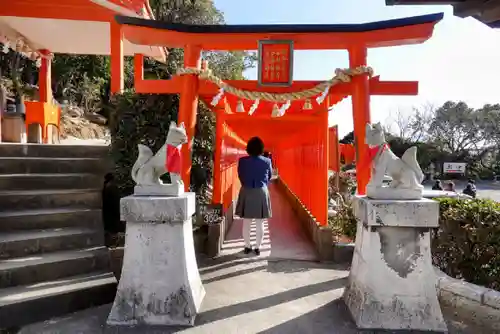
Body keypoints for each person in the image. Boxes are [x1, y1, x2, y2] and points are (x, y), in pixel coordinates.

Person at [236, 136, 273, 256]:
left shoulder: (242, 161)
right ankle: (258, 247)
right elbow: (269, 176)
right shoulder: (267, 161)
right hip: (261, 191)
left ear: (248, 148)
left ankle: (247, 246)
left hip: (246, 191)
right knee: (260, 222)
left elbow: (240, 175)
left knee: (246, 222)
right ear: (261, 149)